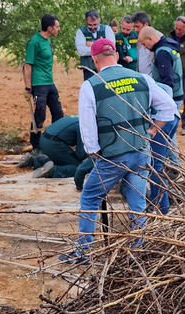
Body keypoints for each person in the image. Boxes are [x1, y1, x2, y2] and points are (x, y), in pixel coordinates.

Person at [65, 38, 177, 263]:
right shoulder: (142, 79)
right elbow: (170, 108)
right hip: (141, 152)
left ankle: (83, 252)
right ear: (116, 56)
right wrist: (152, 131)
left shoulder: (91, 85)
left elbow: (87, 130)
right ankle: (138, 250)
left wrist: (95, 154)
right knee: (137, 203)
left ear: (95, 60)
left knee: (90, 197)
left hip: (113, 157)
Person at [136, 27, 182, 214]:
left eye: (145, 44)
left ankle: (159, 209)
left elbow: (166, 84)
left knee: (155, 166)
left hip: (163, 117)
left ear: (150, 38)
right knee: (160, 163)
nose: (146, 49)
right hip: (173, 114)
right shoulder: (171, 47)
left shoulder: (162, 53)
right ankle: (162, 205)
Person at [24, 14, 64, 153]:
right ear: (49, 28)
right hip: (39, 83)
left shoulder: (48, 41)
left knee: (58, 112)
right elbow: (27, 65)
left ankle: (56, 141)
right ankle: (36, 146)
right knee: (40, 114)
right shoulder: (34, 42)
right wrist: (28, 87)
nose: (59, 29)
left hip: (49, 82)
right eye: (57, 26)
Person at [18, 115, 93, 188]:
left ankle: (33, 161)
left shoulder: (78, 119)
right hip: (53, 143)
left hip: (44, 139)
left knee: (63, 160)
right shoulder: (84, 127)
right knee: (77, 166)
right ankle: (53, 171)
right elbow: (80, 154)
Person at [76, 10, 115, 81]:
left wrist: (92, 44)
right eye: (90, 25)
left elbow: (111, 48)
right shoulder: (80, 32)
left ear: (99, 20)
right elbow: (81, 51)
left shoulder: (107, 29)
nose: (93, 27)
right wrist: (102, 47)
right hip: (89, 70)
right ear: (86, 21)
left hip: (106, 67)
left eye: (95, 25)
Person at [130, 11, 153, 76]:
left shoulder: (156, 40)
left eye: (137, 27)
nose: (135, 30)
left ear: (146, 25)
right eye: (134, 27)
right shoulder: (139, 40)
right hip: (142, 79)